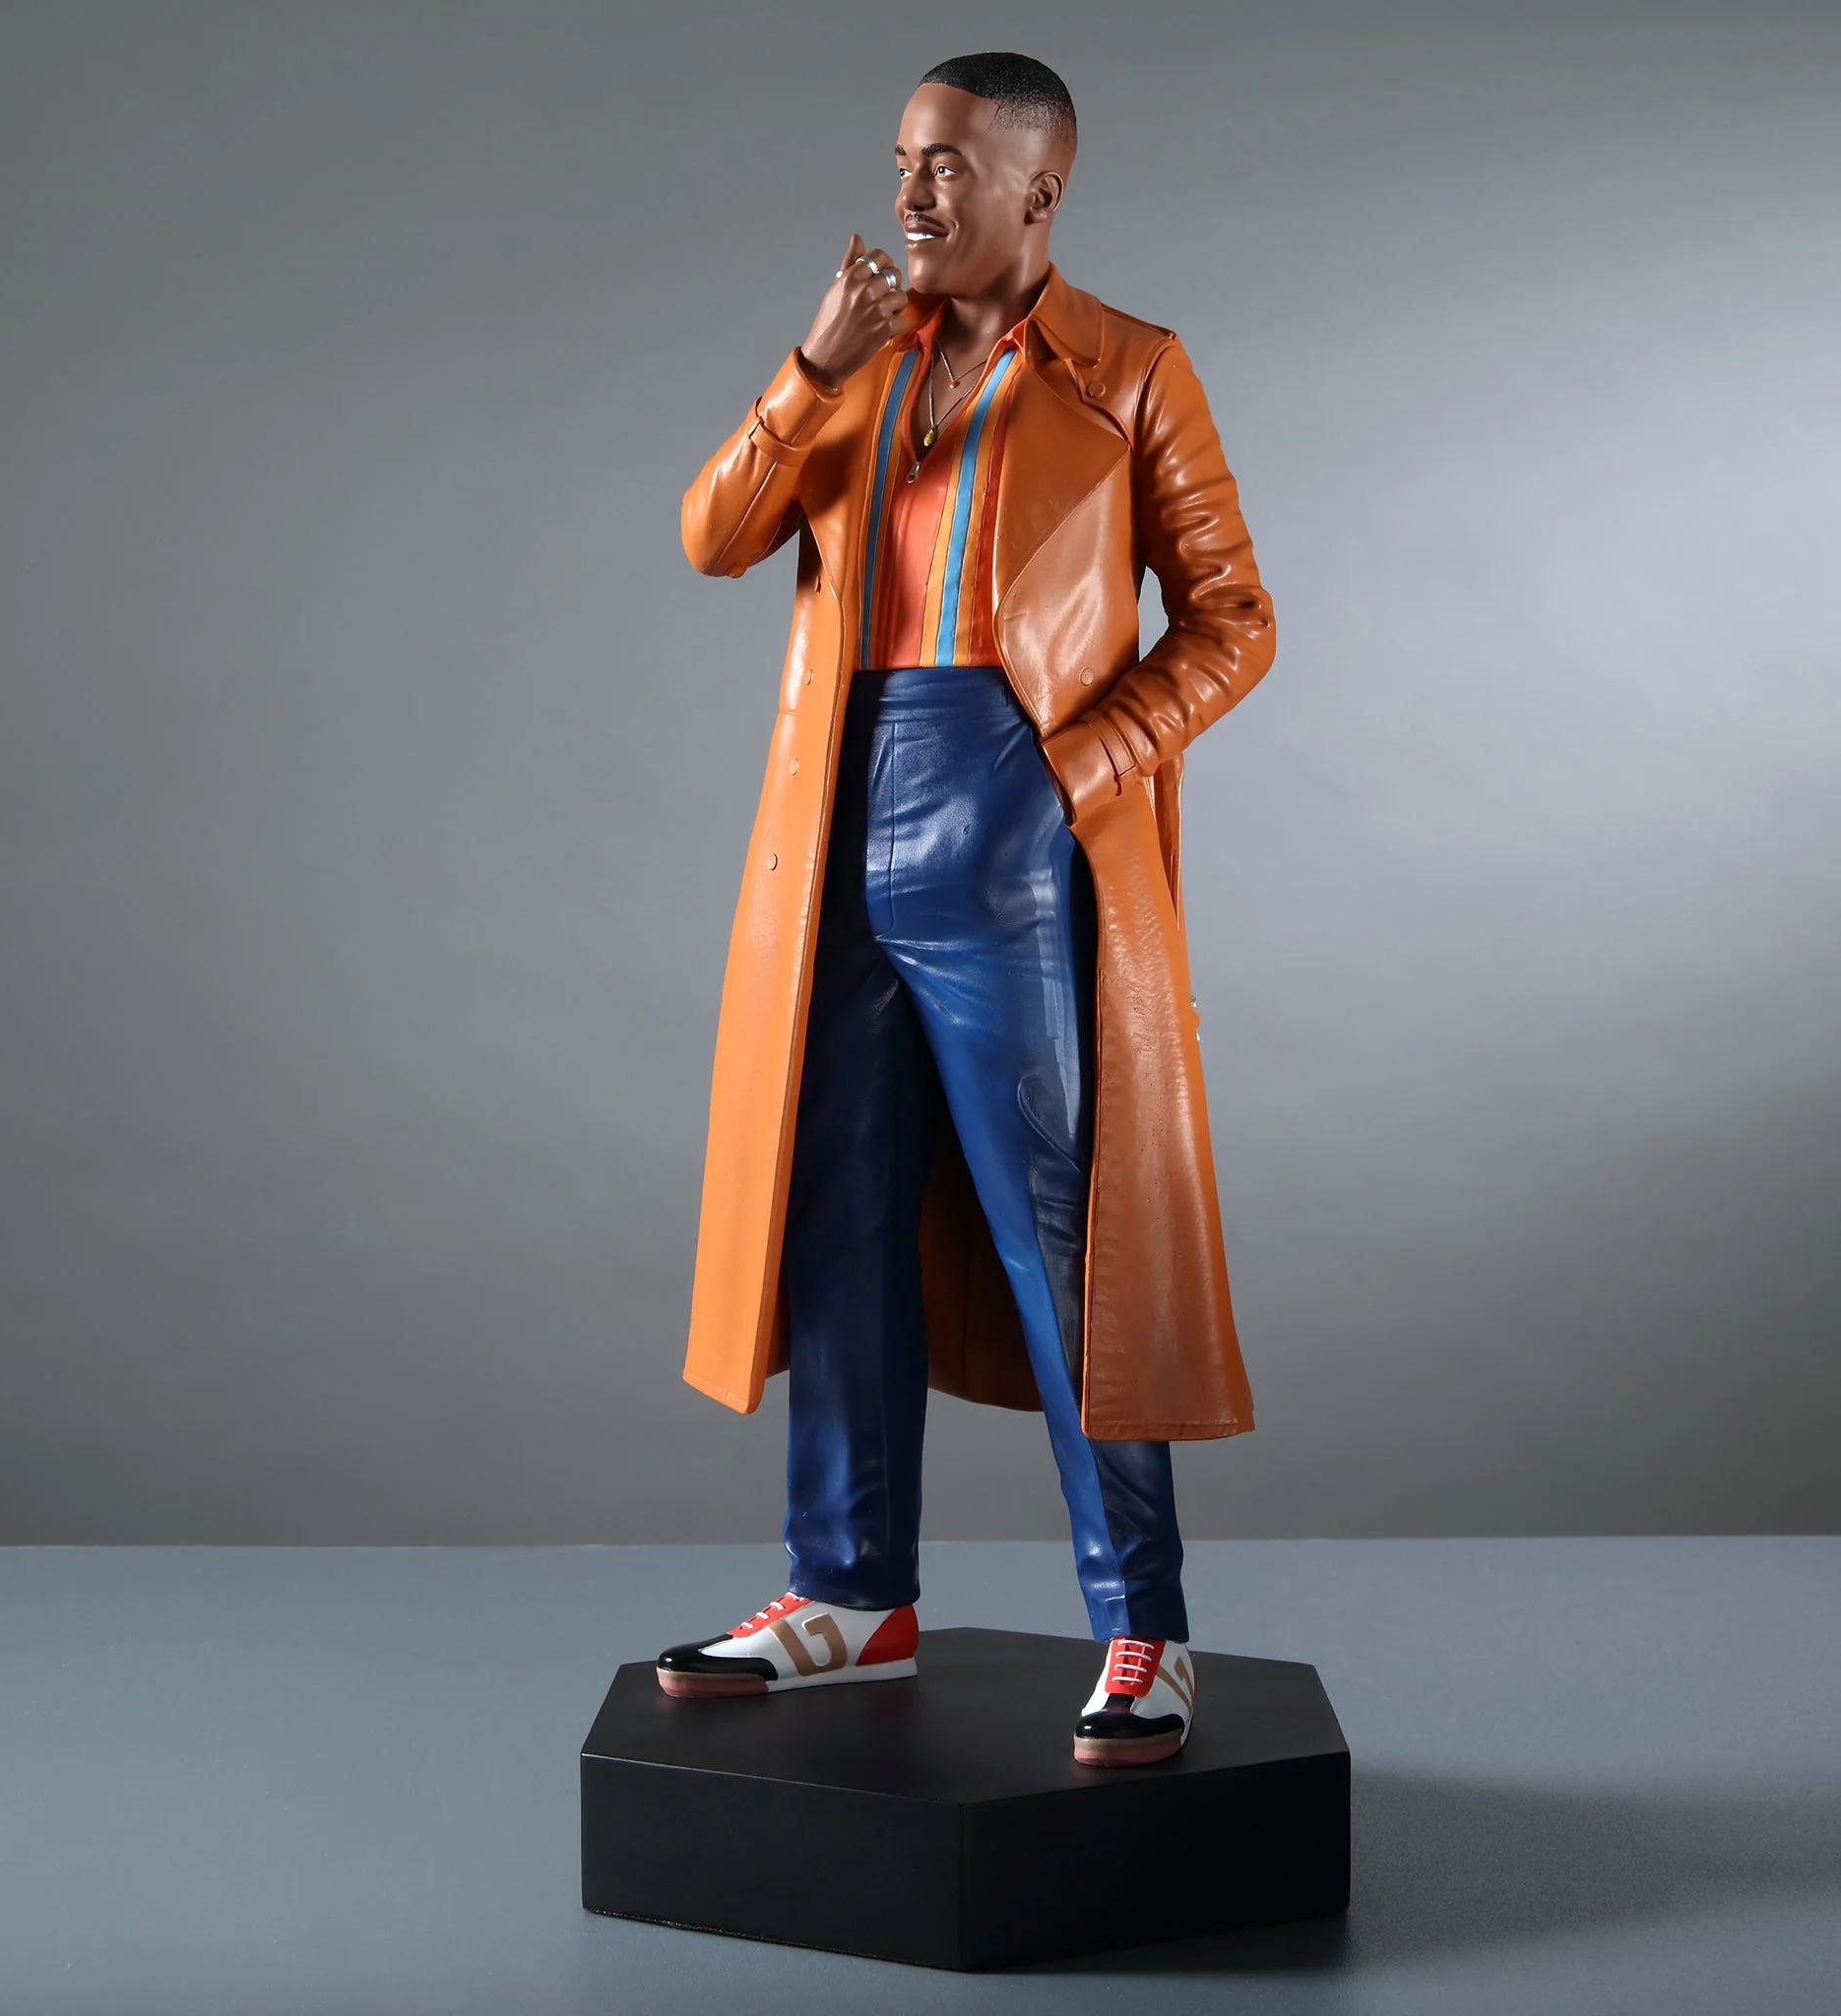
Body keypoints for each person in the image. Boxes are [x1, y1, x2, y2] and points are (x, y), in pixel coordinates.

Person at [656, 51, 1274, 1766]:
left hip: (1010, 837)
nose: (910, 192)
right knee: (836, 1213)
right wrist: (810, 369)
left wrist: (1074, 772)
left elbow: (1232, 618)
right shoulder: (860, 359)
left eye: (944, 165)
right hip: (836, 827)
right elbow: (713, 534)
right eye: (902, 160)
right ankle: (847, 1592)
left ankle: (1142, 1624)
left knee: (1066, 1234)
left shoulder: (1130, 369)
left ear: (1037, 190)